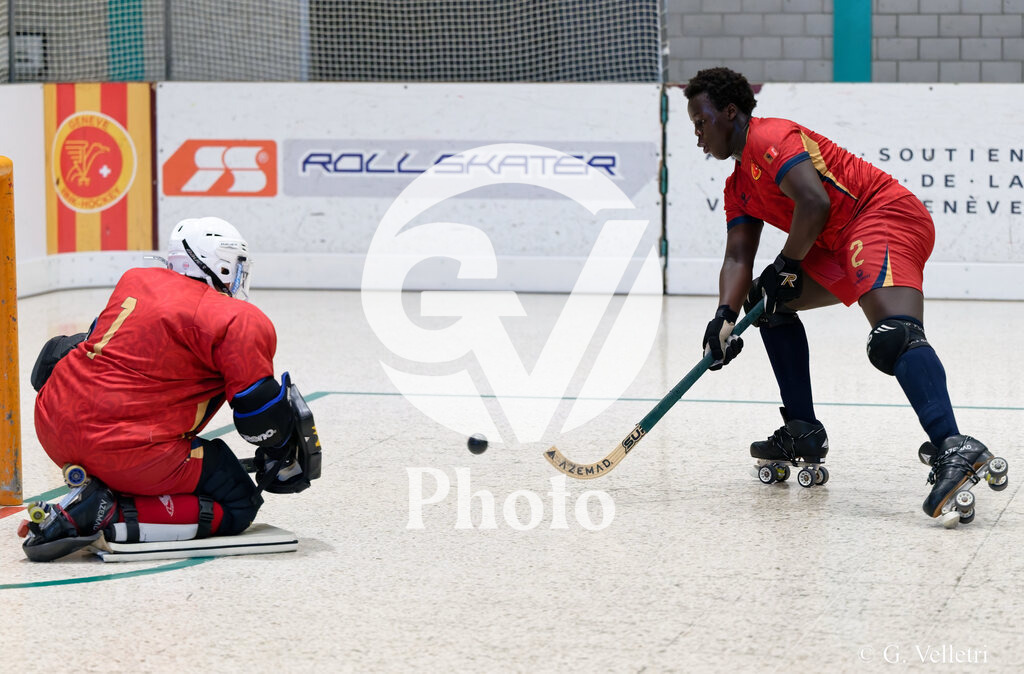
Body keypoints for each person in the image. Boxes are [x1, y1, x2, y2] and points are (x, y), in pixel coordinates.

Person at [683, 67, 1007, 522]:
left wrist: (789, 264)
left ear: (730, 112)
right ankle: (802, 430)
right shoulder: (737, 186)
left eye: (701, 121)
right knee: (767, 304)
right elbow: (738, 258)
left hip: (880, 214)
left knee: (894, 336)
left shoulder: (770, 137)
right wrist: (723, 318)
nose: (697, 136)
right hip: (834, 242)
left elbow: (813, 202)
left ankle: (954, 446)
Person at [20, 217, 320, 561]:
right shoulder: (238, 318)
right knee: (238, 500)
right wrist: (281, 450)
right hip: (125, 451)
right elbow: (258, 417)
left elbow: (79, 348)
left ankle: (101, 492)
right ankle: (103, 512)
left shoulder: (134, 280)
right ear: (221, 264)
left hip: (52, 426)